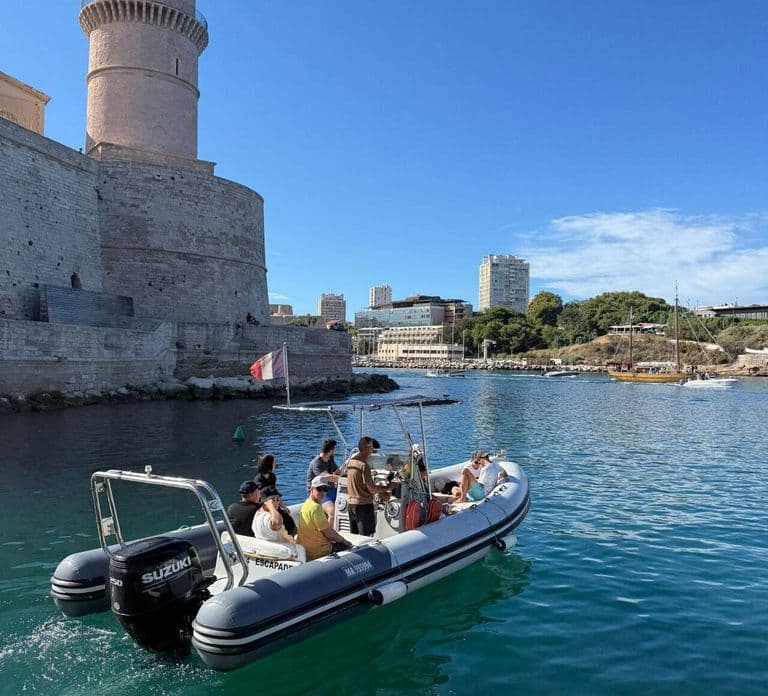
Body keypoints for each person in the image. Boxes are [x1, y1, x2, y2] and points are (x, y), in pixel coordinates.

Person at [297, 476, 354, 561]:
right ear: (312, 489)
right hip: (320, 551)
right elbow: (329, 533)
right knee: (350, 547)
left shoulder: (306, 504)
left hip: (307, 551)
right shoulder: (315, 508)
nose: (323, 492)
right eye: (319, 489)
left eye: (325, 489)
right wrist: (344, 541)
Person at [346, 436, 393, 536]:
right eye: (372, 448)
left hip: (351, 505)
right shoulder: (364, 466)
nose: (373, 451)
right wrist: (387, 488)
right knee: (366, 536)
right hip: (363, 506)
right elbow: (372, 489)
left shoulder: (351, 462)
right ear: (367, 448)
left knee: (354, 535)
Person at [306, 439, 340, 522]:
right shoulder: (317, 463)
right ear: (330, 451)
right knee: (332, 512)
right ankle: (328, 531)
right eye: (334, 449)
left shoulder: (330, 460)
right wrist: (345, 479)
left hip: (331, 490)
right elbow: (327, 477)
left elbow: (338, 472)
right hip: (320, 492)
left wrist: (347, 466)